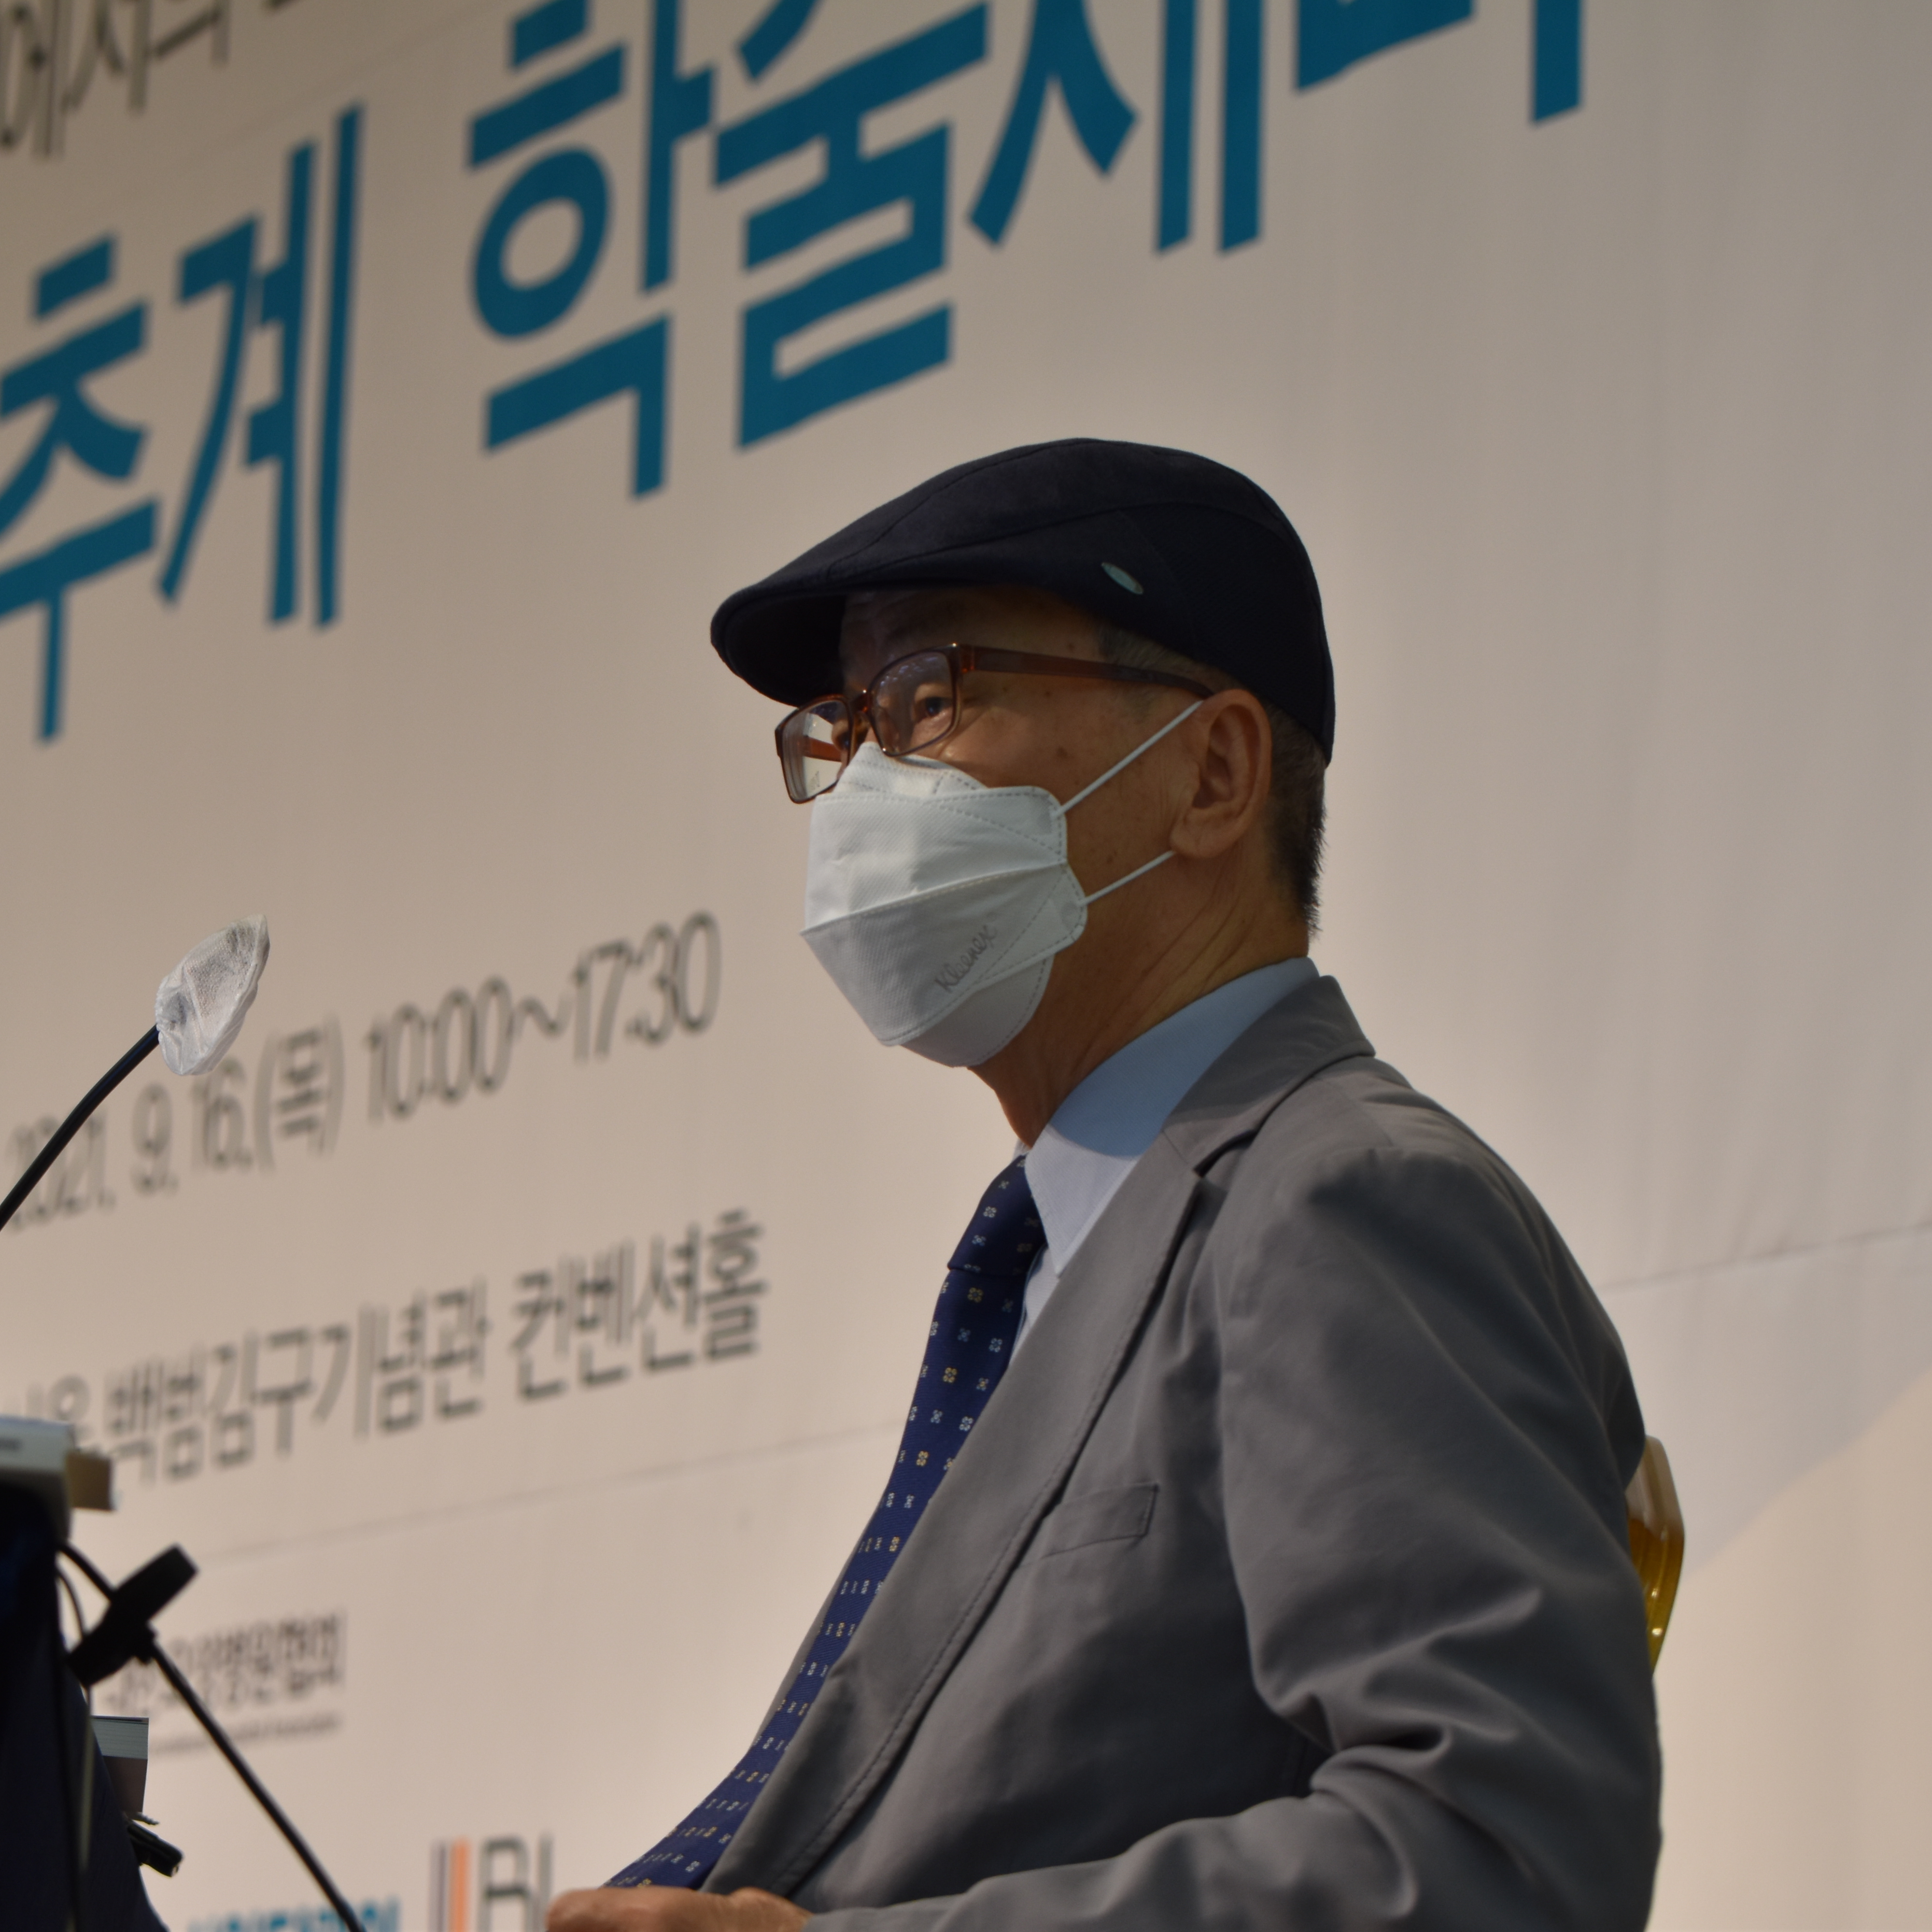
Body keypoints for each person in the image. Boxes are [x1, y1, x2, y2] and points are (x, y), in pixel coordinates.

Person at [549, 441, 1659, 1932]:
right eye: (844, 729)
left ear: (1212, 775)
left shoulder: (1347, 1197)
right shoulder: (1069, 1249)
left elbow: (1497, 1852)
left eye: (927, 696)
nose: (862, 788)